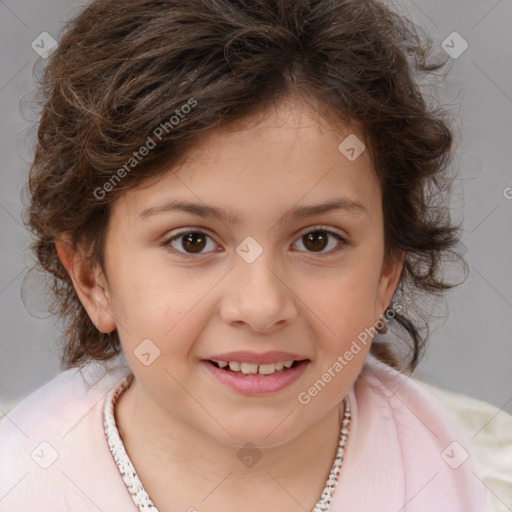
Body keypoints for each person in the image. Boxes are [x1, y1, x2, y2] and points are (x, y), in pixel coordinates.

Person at [0, 0, 494, 510]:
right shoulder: (21, 484)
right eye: (192, 241)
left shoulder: (479, 480)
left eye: (317, 240)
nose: (260, 308)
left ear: (386, 273)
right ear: (92, 278)